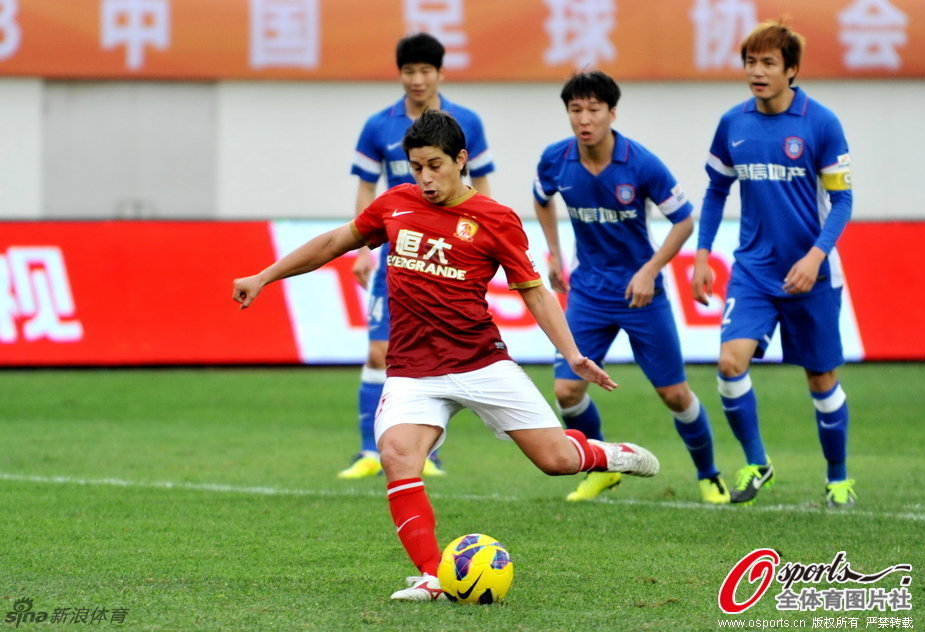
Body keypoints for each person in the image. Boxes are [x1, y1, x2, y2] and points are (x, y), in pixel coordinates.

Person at [233, 110, 660, 601]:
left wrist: (573, 354)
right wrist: (264, 276)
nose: (426, 178)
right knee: (397, 455)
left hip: (481, 362)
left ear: (461, 160)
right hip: (413, 372)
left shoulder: (496, 219)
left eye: (435, 165)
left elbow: (534, 291)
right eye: (416, 167)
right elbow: (334, 242)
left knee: (557, 460)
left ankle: (609, 454)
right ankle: (434, 574)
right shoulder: (394, 204)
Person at [533, 71, 726, 504]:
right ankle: (603, 468)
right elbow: (541, 197)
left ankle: (709, 474)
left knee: (675, 394)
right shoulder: (555, 160)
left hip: (642, 296)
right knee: (566, 390)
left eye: (593, 109)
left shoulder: (640, 163)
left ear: (612, 112)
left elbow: (685, 220)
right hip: (588, 293)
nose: (584, 119)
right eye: (575, 110)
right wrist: (554, 252)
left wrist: (650, 269)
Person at [690, 19, 855, 508]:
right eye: (750, 62)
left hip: (813, 274)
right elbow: (716, 190)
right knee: (728, 362)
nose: (756, 72)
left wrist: (814, 255)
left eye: (767, 63)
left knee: (821, 381)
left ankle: (838, 478)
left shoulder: (821, 123)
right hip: (754, 271)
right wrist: (701, 254)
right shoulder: (733, 123)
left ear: (792, 70)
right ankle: (759, 463)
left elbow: (843, 202)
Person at [341, 32, 495, 480]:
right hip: (395, 251)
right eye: (410, 71)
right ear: (400, 74)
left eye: (426, 70)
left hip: (449, 252)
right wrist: (362, 248)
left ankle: (428, 452)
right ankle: (371, 450)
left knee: (437, 353)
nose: (418, 79)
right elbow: (366, 188)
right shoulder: (378, 126)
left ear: (441, 73)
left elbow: (482, 183)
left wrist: (484, 237)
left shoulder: (466, 121)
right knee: (378, 351)